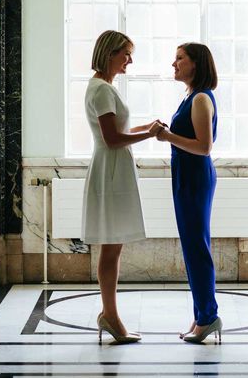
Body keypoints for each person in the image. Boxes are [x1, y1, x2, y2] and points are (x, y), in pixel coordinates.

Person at [81, 30, 163, 344]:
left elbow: (118, 130)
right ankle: (110, 315)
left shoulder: (102, 87)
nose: (129, 61)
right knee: (111, 246)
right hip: (111, 169)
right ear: (109, 53)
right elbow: (113, 139)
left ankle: (110, 314)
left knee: (113, 246)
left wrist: (148, 127)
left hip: (113, 168)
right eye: (125, 54)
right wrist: (149, 135)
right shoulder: (101, 90)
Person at [155, 42, 222, 344]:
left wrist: (167, 135)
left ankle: (208, 317)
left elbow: (204, 147)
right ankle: (201, 317)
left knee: (197, 248)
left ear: (196, 64)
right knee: (192, 246)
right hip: (185, 175)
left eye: (179, 58)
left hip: (195, 177)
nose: (174, 63)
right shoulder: (190, 97)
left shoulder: (200, 100)